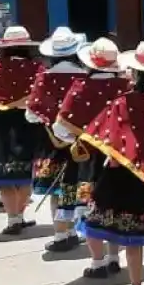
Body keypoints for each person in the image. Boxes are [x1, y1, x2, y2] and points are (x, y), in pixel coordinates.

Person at [77, 40, 144, 285]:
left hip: (124, 176)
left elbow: (106, 137)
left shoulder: (122, 103)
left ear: (136, 73)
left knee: (132, 238)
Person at [57, 38, 132, 279]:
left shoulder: (80, 88)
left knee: (91, 209)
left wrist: (76, 139)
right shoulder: (126, 86)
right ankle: (113, 257)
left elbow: (61, 128)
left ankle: (97, 261)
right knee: (114, 207)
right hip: (119, 156)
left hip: (88, 157)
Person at [0, 26, 44, 235]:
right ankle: (20, 216)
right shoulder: (37, 69)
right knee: (25, 174)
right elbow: (40, 98)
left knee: (5, 176)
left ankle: (12, 220)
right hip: (27, 126)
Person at [27, 27, 89, 253]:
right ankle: (74, 230)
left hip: (50, 141)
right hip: (80, 142)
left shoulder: (44, 79)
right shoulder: (84, 78)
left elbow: (31, 114)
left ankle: (61, 234)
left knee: (56, 190)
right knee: (75, 185)